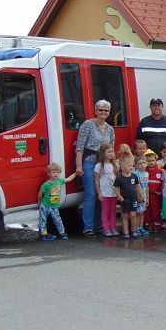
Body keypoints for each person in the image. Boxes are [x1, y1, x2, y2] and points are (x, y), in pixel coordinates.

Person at [75, 100, 115, 236]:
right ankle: (88, 227)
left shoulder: (110, 129)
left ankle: (100, 225)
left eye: (106, 110)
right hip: (89, 162)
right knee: (91, 194)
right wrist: (79, 165)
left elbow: (111, 149)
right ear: (96, 111)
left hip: (104, 165)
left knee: (102, 195)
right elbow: (80, 147)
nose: (103, 112)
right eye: (101, 110)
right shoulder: (87, 125)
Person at [38, 162, 77, 241]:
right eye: (53, 172)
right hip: (45, 205)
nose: (56, 174)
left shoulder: (59, 181)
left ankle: (62, 233)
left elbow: (68, 179)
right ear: (49, 174)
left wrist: (76, 173)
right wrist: (39, 203)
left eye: (58, 172)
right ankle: (44, 234)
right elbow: (40, 193)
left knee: (57, 219)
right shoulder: (46, 184)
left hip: (54, 205)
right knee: (42, 220)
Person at [113, 155, 142, 239]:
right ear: (122, 167)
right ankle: (126, 232)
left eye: (132, 166)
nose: (131, 168)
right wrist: (121, 198)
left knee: (133, 215)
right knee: (125, 216)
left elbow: (138, 185)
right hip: (125, 200)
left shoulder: (134, 176)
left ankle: (134, 230)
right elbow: (116, 189)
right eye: (129, 166)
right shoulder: (119, 178)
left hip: (134, 198)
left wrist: (140, 195)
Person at [94, 143, 118, 237]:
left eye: (112, 151)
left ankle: (113, 228)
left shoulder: (115, 164)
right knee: (105, 210)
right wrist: (99, 193)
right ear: (103, 153)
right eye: (109, 152)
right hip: (105, 192)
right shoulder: (99, 165)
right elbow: (96, 180)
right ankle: (106, 228)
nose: (111, 153)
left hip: (114, 193)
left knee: (113, 211)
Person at [132, 155, 149, 238]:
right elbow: (135, 186)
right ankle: (136, 228)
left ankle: (141, 227)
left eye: (144, 163)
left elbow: (147, 186)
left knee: (142, 213)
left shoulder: (146, 174)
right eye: (139, 164)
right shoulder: (135, 174)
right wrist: (138, 197)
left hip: (144, 197)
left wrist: (147, 197)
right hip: (138, 197)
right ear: (135, 165)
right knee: (138, 213)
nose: (142, 165)